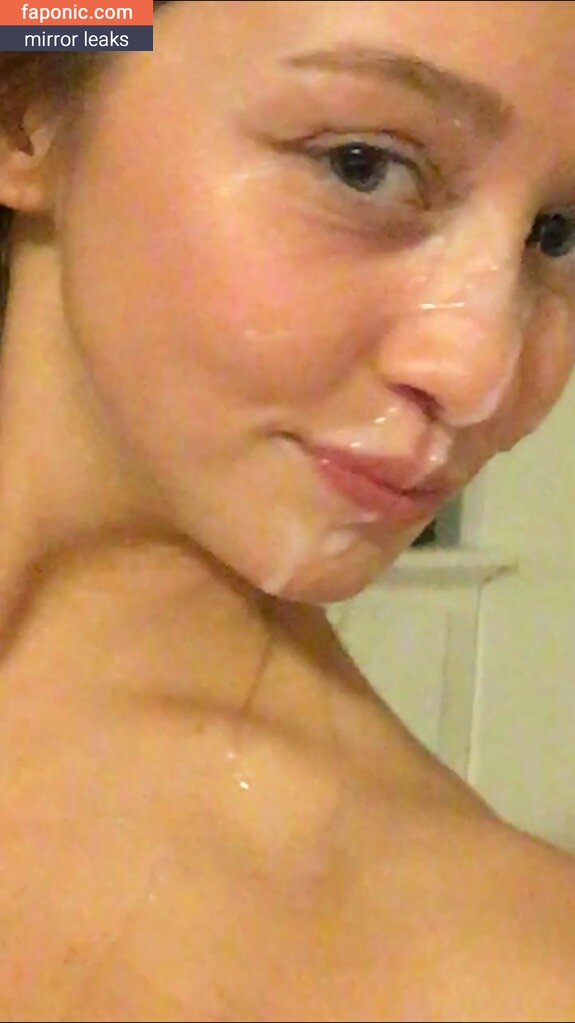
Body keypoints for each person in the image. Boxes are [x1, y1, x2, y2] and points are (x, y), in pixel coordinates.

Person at [0, 2, 574, 1019]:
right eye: (363, 166)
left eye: (559, 237)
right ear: (27, 107)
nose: (482, 370)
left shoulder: (495, 970)